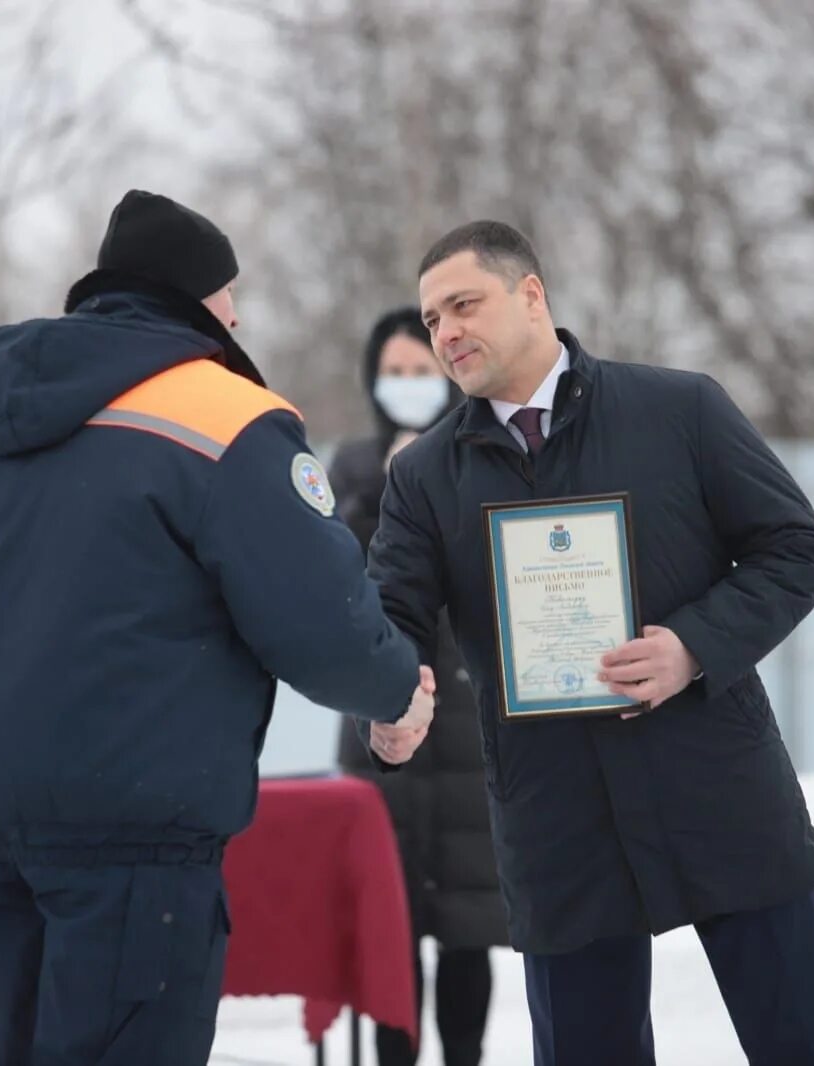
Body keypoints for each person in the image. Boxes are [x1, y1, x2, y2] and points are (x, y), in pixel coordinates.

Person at [0, 189, 435, 1066]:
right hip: (135, 848)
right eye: (228, 293)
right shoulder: (222, 417)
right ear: (191, 297)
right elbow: (317, 614)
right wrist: (398, 687)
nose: (239, 314)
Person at [366, 221, 814, 1066]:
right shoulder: (422, 477)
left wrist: (693, 646)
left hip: (718, 788)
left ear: (530, 297)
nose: (443, 333)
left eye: (462, 305)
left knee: (804, 1044)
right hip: (556, 819)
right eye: (432, 317)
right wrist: (393, 698)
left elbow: (798, 549)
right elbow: (393, 619)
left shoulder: (680, 410)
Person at [331, 308, 507, 1066]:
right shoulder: (351, 467)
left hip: (470, 722)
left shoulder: (484, 456)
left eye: (422, 371)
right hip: (385, 726)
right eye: (395, 373)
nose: (409, 386)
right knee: (387, 930)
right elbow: (340, 577)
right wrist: (387, 492)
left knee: (470, 927)